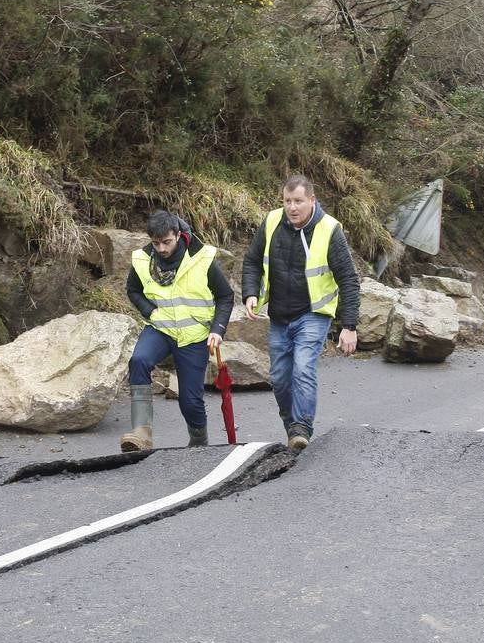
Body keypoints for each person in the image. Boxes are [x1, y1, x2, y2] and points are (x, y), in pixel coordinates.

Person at [241, 175, 361, 451]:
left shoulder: (329, 230)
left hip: (313, 314)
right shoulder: (272, 222)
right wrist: (250, 293)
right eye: (287, 201)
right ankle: (291, 425)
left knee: (303, 367)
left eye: (298, 201)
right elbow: (252, 260)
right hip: (279, 315)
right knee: (280, 377)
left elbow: (349, 279)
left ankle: (302, 427)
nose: (292, 208)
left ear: (312, 201)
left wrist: (349, 326)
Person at [121, 211, 234, 452]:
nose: (161, 248)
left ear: (178, 235)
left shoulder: (202, 259)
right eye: (156, 243)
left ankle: (198, 441)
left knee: (190, 402)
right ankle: (141, 434)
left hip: (194, 336)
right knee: (139, 360)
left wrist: (217, 329)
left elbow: (225, 296)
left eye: (166, 242)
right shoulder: (143, 259)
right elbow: (133, 290)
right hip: (160, 328)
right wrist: (149, 312)